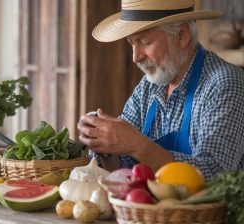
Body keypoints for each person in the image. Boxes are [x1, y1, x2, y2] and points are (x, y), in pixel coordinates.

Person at [77, 0, 244, 180]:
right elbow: (124, 168)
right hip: (152, 207)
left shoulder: (225, 83)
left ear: (182, 34)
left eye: (145, 42)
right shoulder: (150, 85)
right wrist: (105, 144)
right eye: (132, 42)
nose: (136, 57)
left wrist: (138, 145)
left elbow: (215, 176)